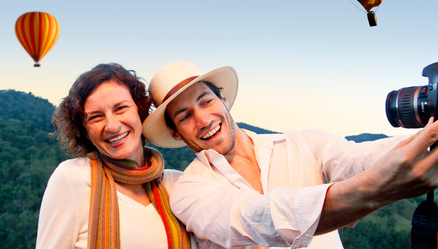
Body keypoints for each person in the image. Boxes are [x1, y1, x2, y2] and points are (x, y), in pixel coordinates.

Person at [142, 60, 438, 249]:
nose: (203, 120)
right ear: (177, 134)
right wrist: (375, 190)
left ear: (224, 100)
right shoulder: (190, 190)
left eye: (206, 102)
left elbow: (360, 158)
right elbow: (255, 218)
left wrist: (426, 139)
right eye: (185, 116)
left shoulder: (304, 145)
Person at [36, 63, 195, 249]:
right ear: (84, 130)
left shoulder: (178, 185)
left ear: (140, 111)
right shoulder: (73, 178)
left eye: (120, 108)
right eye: (96, 117)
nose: (112, 126)